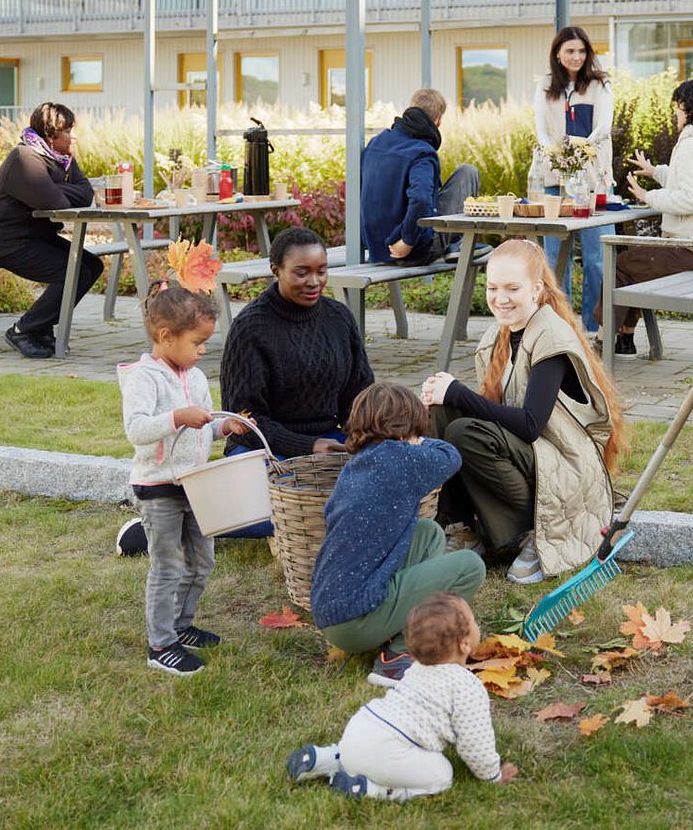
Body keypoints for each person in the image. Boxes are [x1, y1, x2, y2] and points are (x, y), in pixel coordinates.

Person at [421, 239, 630, 585]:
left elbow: (531, 425)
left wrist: (458, 391)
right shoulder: (499, 334)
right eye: (492, 287)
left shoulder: (550, 336)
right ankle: (462, 528)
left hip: (562, 467)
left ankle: (536, 529)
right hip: (531, 458)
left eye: (512, 288)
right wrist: (445, 398)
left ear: (536, 290)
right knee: (443, 410)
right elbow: (496, 415)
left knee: (462, 429)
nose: (500, 298)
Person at [309, 384, 486, 687]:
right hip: (354, 619)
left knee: (428, 533)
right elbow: (451, 455)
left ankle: (395, 628)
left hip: (332, 608)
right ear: (407, 429)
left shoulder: (357, 464)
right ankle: (398, 657)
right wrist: (418, 443)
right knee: (470, 566)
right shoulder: (401, 458)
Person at [118, 286, 249, 676]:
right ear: (165, 337)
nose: (203, 351)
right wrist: (176, 417)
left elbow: (200, 430)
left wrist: (225, 426)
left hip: (195, 483)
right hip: (159, 488)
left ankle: (181, 624)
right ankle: (160, 644)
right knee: (168, 564)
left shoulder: (195, 376)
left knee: (202, 560)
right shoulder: (144, 378)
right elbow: (137, 430)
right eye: (198, 342)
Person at [288, 593, 515, 800]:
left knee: (358, 753)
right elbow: (475, 742)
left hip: (359, 728)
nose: (477, 624)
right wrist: (492, 775)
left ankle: (327, 758)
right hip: (388, 750)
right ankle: (370, 789)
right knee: (442, 773)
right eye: (473, 621)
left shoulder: (415, 669)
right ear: (465, 644)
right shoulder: (467, 687)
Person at [610, 77, 693, 353]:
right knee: (637, 262)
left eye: (678, 107)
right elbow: (692, 180)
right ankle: (624, 336)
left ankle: (603, 339)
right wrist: (656, 172)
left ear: (689, 108)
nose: (676, 112)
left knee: (621, 264)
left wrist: (648, 197)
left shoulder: (692, 144)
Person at [221, 227, 374, 463]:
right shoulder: (250, 328)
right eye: (301, 273)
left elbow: (359, 395)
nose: (314, 282)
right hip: (264, 446)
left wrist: (361, 436)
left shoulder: (339, 317)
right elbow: (244, 421)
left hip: (330, 438)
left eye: (321, 272)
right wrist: (308, 445)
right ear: (276, 271)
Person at [0, 102, 101, 359]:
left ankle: (40, 328)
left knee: (91, 266)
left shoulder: (62, 159)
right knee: (72, 271)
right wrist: (57, 190)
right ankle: (23, 330)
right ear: (51, 134)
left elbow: (85, 194)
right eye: (69, 130)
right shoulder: (24, 158)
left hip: (37, 238)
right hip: (8, 242)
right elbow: (55, 203)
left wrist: (55, 187)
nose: (74, 136)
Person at [530, 26, 614, 335]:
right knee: (554, 259)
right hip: (554, 178)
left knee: (596, 256)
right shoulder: (546, 85)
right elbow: (540, 128)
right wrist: (557, 155)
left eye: (581, 51)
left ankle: (595, 328)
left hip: (593, 179)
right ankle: (560, 327)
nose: (576, 57)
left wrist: (580, 151)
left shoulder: (599, 83)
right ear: (557, 54)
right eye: (570, 51)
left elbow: (604, 125)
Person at [359, 89, 481, 265]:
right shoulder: (422, 152)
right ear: (438, 121)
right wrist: (407, 240)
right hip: (412, 251)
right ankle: (456, 245)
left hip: (377, 248)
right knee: (468, 172)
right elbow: (421, 199)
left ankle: (453, 245)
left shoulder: (376, 142)